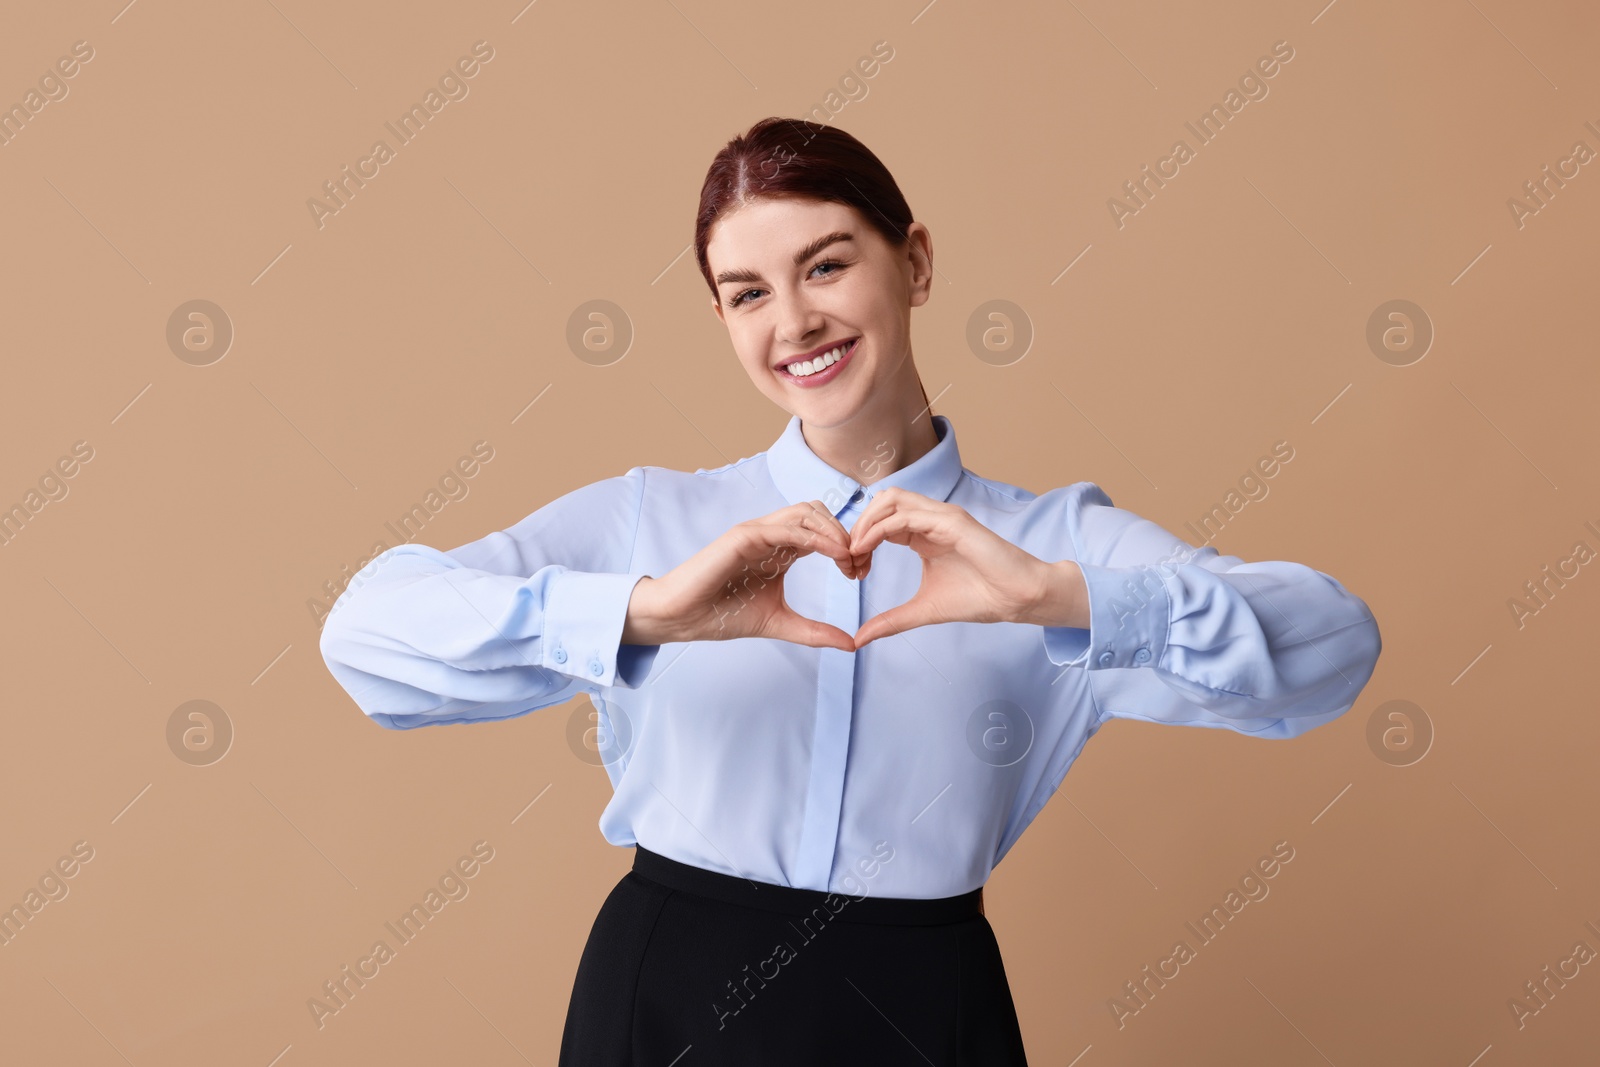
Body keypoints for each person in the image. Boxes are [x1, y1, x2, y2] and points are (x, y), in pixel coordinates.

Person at [318, 116, 1383, 1065]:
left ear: (913, 262)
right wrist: (646, 613)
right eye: (746, 294)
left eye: (825, 266)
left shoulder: (1051, 543)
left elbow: (1333, 647)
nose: (793, 322)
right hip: (665, 999)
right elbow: (366, 635)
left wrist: (1064, 600)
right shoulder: (653, 522)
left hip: (924, 1007)